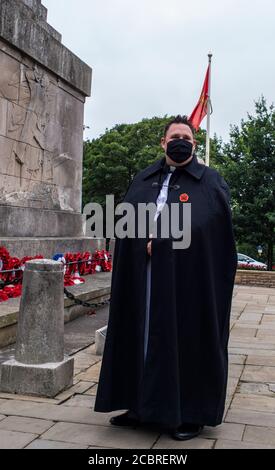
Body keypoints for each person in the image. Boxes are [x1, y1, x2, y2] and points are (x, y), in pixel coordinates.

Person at [94, 115, 237, 440]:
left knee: (186, 337)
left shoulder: (210, 182)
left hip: (188, 280)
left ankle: (190, 413)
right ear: (163, 142)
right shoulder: (144, 178)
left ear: (194, 144)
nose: (180, 140)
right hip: (143, 279)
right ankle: (137, 404)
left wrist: (163, 242)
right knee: (140, 335)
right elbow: (125, 219)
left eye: (186, 136)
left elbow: (208, 227)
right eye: (174, 136)